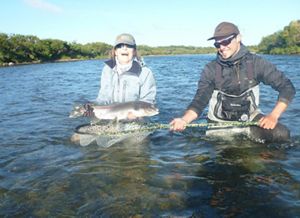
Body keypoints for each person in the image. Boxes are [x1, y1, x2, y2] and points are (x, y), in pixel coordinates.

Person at [170, 22, 296, 143]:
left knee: (281, 134)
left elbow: (287, 87)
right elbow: (199, 101)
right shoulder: (211, 69)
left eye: (226, 41)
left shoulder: (257, 63)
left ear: (238, 38)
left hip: (249, 120)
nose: (222, 47)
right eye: (217, 44)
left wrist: (273, 115)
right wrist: (184, 120)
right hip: (219, 125)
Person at [89, 33, 157, 119]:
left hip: (136, 121)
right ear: (115, 52)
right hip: (110, 118)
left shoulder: (145, 72)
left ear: (134, 51)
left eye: (129, 46)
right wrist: (92, 109)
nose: (124, 48)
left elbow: (148, 100)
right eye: (120, 46)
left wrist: (136, 115)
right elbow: (103, 97)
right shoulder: (107, 70)